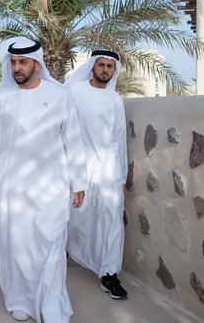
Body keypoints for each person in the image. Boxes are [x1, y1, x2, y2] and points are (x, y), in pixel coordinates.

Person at [0, 39, 88, 323]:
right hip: (13, 188)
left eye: (23, 62)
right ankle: (20, 299)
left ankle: (52, 306)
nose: (17, 67)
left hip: (53, 186)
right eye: (13, 62)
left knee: (51, 246)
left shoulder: (60, 95)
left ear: (37, 65)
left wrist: (79, 182)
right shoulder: (1, 99)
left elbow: (73, 140)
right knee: (17, 246)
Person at [64, 50, 129, 300]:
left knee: (112, 219)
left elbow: (119, 138)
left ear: (114, 70)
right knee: (76, 217)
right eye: (101, 65)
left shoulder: (115, 99)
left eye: (110, 67)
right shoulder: (73, 91)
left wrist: (121, 176)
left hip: (109, 170)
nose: (105, 70)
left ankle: (109, 274)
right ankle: (67, 252)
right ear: (92, 66)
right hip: (77, 166)